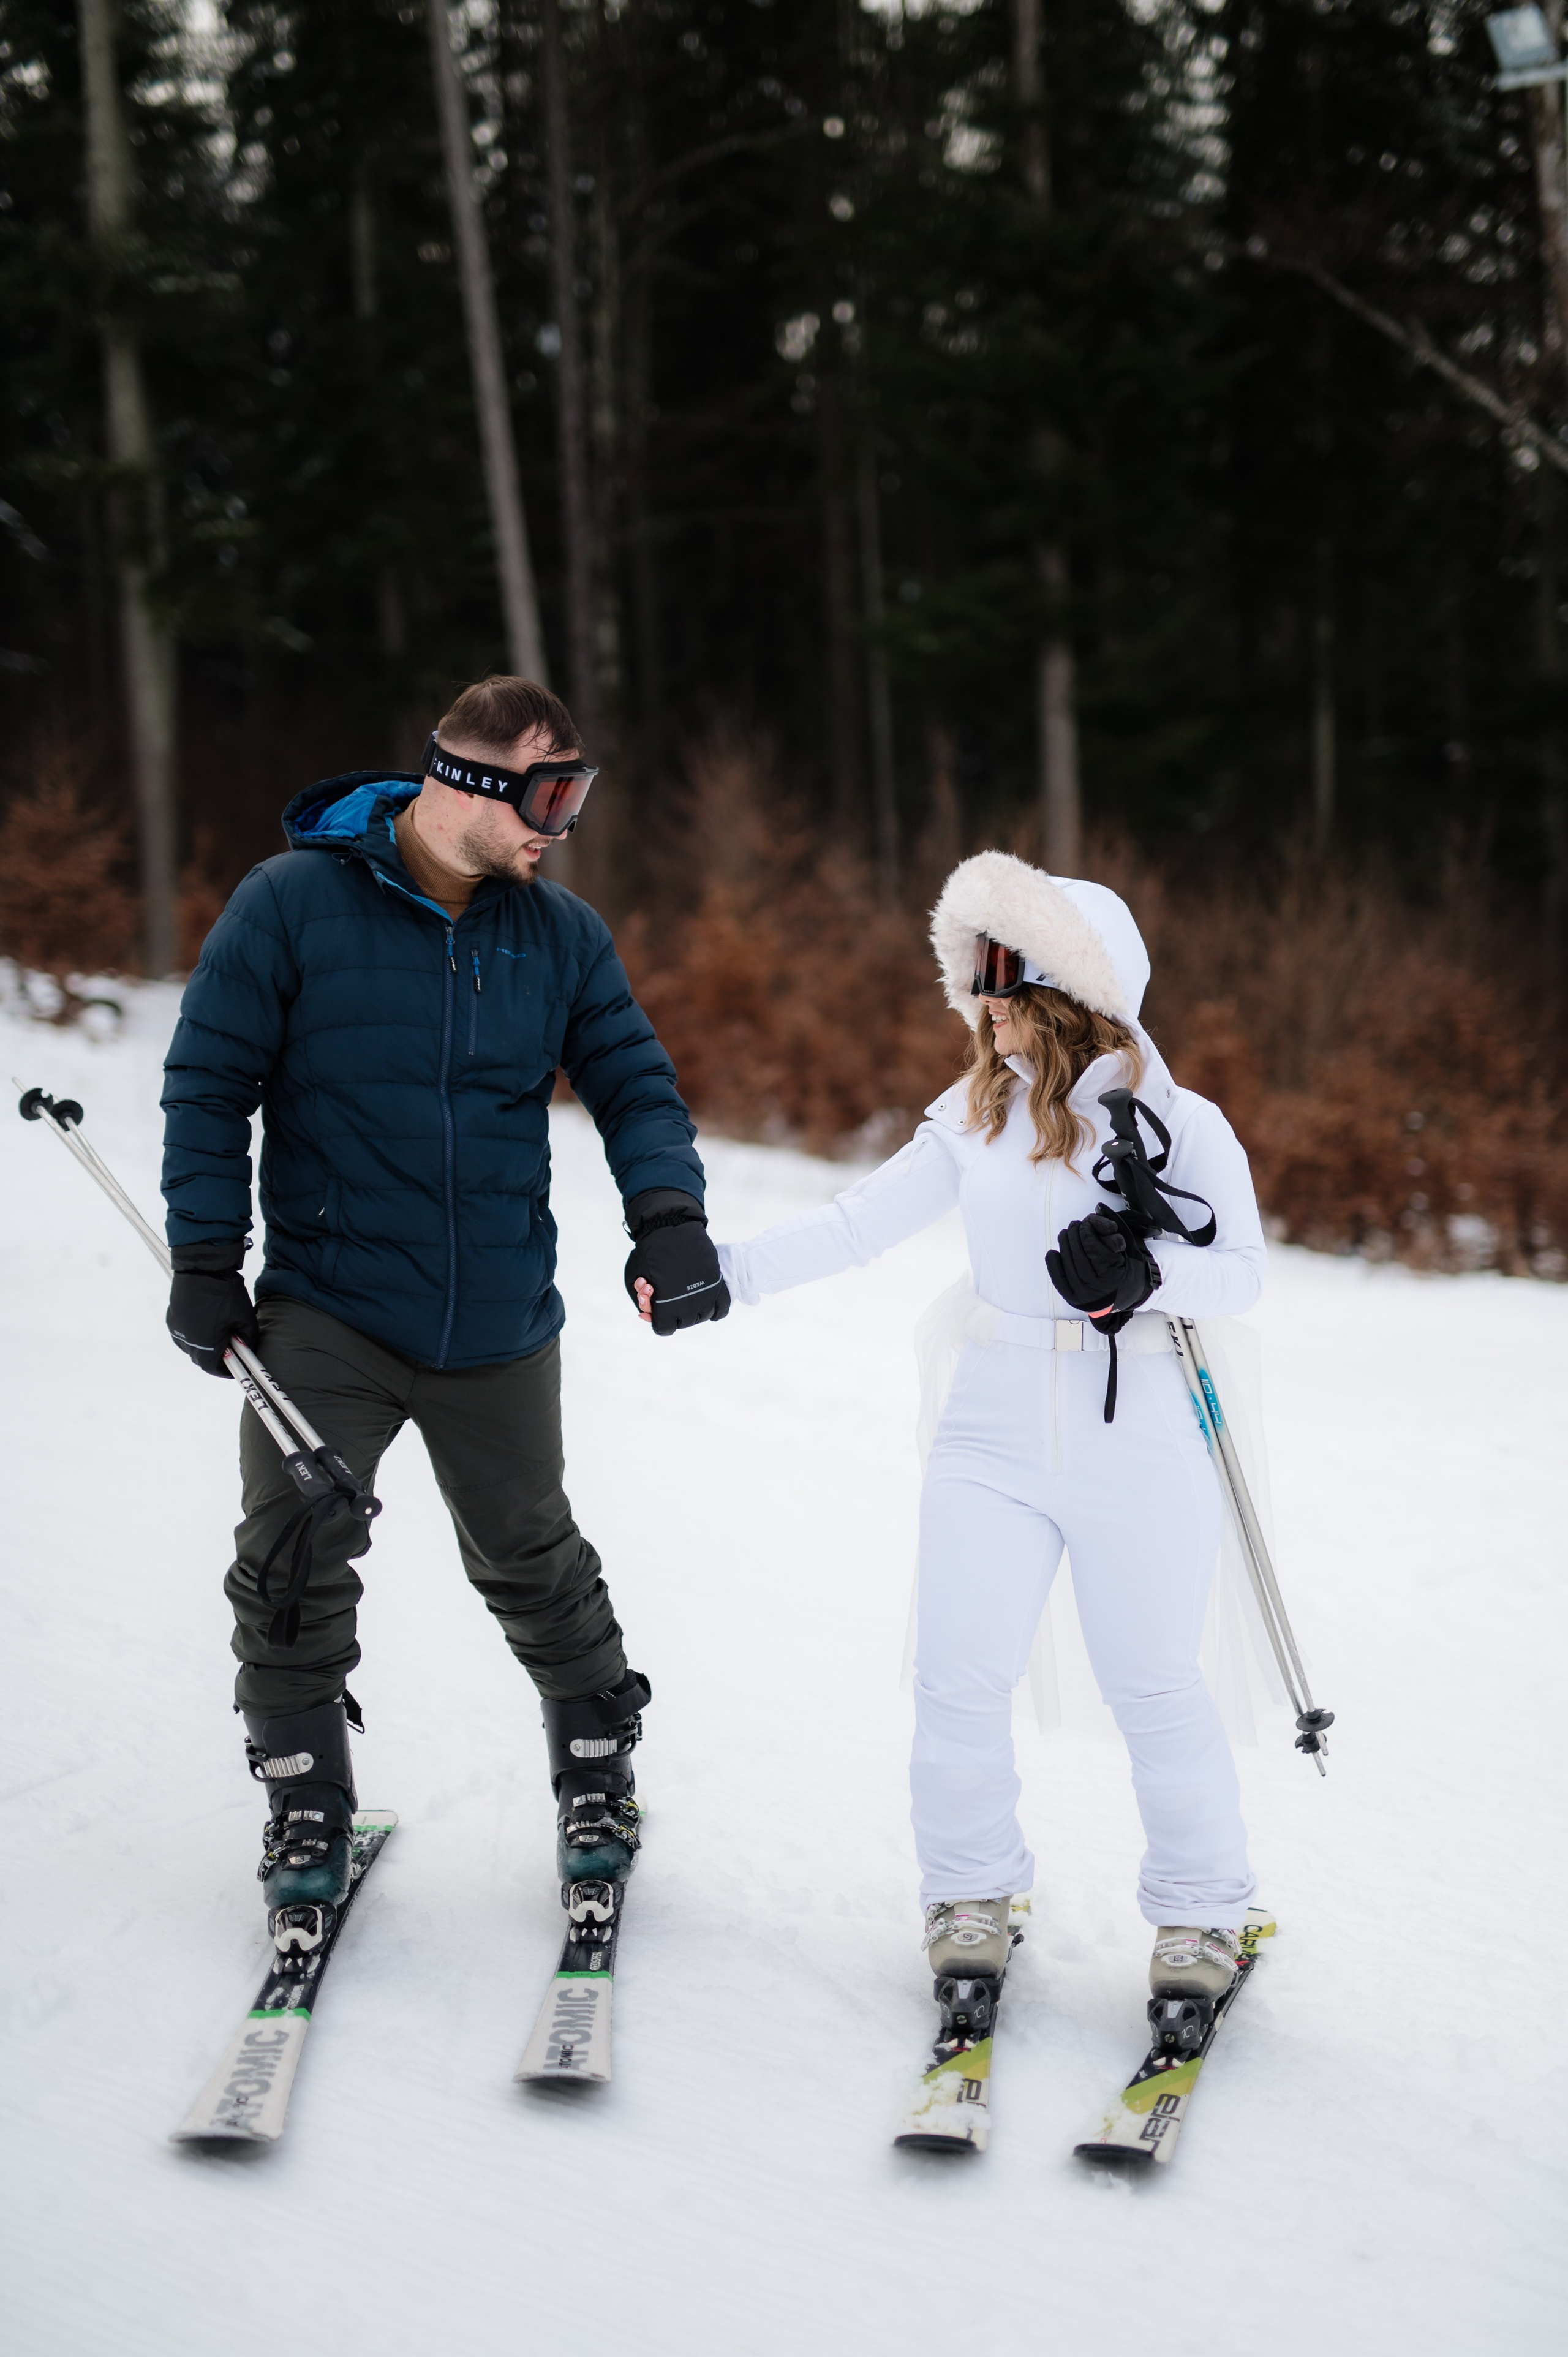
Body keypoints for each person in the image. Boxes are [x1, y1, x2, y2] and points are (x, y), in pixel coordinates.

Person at [162, 674, 728, 1952]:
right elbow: (208, 1083)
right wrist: (206, 1253)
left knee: (529, 1556)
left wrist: (668, 1217)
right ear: (467, 782)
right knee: (295, 1552)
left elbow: (634, 1084)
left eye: (577, 793)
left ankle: (595, 1771)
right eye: (546, 794)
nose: (561, 823)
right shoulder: (291, 906)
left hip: (496, 1319)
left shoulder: (560, 933)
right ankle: (306, 1804)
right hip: (328, 1306)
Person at [660, 850, 1266, 2019]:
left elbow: (1242, 1278)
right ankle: (971, 1894)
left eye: (1001, 980)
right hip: (990, 1425)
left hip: (1135, 1426)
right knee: (957, 1680)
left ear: (1069, 989)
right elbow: (854, 1226)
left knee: (1151, 1684)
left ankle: (1203, 1909)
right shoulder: (972, 1115)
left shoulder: (1181, 1127)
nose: (980, 1005)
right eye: (975, 980)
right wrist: (720, 1278)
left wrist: (1151, 1271)